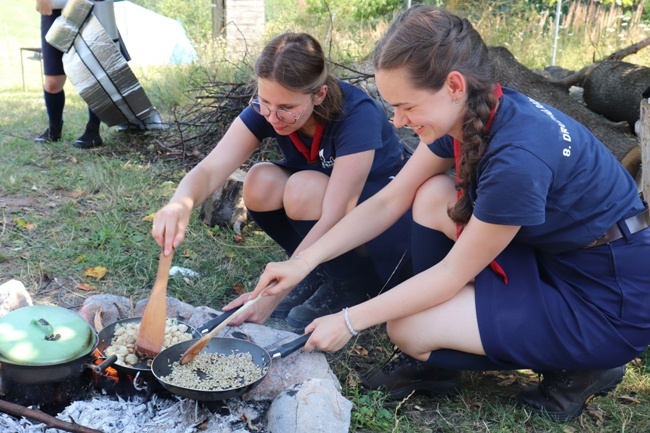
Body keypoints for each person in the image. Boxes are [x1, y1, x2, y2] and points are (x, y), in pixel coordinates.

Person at [243, 5, 650, 423]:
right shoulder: (473, 110)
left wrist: (348, 321)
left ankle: (584, 365)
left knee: (406, 329)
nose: (398, 122)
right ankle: (453, 346)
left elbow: (452, 273)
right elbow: (388, 200)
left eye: (406, 107)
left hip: (606, 300)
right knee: (433, 192)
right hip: (560, 259)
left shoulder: (518, 158)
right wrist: (302, 262)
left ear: (453, 84)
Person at [152, 32, 412, 329]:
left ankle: (352, 281)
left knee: (302, 189)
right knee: (260, 181)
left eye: (286, 108)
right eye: (264, 102)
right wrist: (178, 204)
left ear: (320, 95)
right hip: (326, 212)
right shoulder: (273, 106)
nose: (272, 117)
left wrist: (273, 294)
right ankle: (319, 272)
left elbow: (336, 213)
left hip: (382, 227)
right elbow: (211, 169)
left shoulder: (356, 114)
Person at [35, 0, 103, 149]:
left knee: (93, 73)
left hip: (90, 7)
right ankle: (54, 129)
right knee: (53, 81)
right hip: (54, 9)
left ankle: (93, 131)